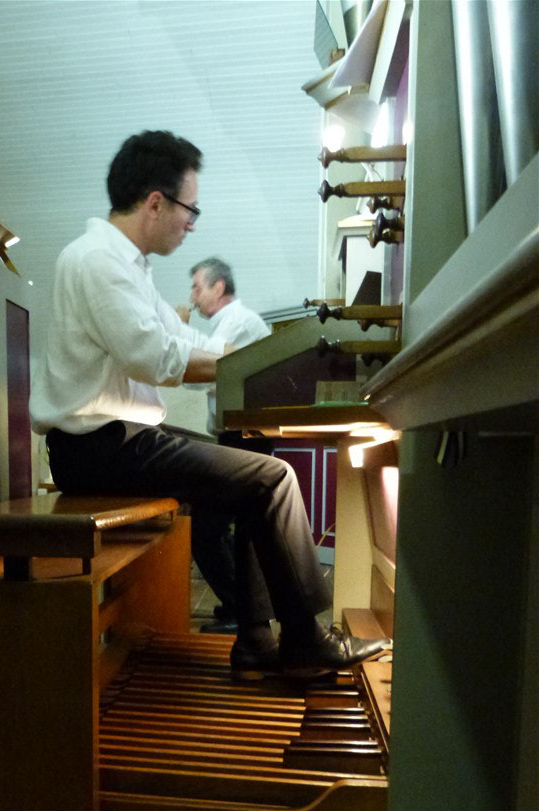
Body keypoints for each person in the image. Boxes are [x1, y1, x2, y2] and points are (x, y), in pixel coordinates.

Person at [30, 129, 385, 677]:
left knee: (250, 483)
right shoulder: (97, 260)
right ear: (155, 202)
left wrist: (246, 358)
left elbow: (182, 344)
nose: (191, 223)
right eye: (189, 209)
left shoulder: (126, 263)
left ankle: (256, 638)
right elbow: (155, 356)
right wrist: (240, 363)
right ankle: (304, 641)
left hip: (119, 441)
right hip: (98, 447)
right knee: (272, 477)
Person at [177, 258, 269, 634]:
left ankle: (242, 613)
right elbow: (194, 380)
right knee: (218, 530)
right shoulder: (226, 325)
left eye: (198, 287)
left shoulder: (237, 322)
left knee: (205, 530)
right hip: (236, 437)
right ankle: (240, 608)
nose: (193, 296)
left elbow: (204, 367)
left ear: (218, 288)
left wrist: (178, 328)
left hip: (242, 438)